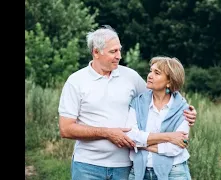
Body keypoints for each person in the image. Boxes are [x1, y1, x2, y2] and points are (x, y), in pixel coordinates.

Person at [58, 25, 197, 180]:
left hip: (124, 167)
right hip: (87, 166)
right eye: (113, 51)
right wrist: (107, 133)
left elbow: (162, 94)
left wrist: (187, 110)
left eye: (119, 50)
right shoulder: (76, 81)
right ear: (96, 52)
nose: (119, 56)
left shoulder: (130, 77)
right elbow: (66, 129)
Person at [125, 56, 192, 180]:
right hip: (139, 171)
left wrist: (143, 145)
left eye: (157, 73)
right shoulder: (137, 103)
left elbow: (177, 146)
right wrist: (168, 137)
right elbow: (130, 137)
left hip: (174, 172)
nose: (150, 75)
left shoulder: (183, 109)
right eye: (150, 71)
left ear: (169, 82)